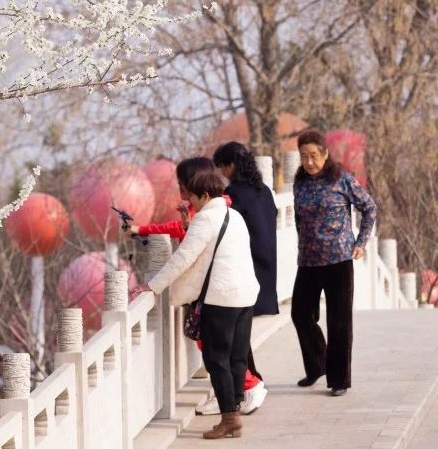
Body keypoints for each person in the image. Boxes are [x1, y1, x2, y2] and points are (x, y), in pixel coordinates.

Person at [133, 159, 259, 440]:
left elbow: (182, 258)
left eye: (191, 196)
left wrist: (153, 286)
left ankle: (229, 418)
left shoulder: (206, 218)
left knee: (217, 359)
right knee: (238, 357)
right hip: (246, 295)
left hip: (221, 299)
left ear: (204, 196)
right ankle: (234, 411)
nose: (188, 200)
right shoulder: (233, 215)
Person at [291, 129, 377, 396]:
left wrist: (360, 242)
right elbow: (298, 219)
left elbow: (369, 208)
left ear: (325, 154)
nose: (309, 162)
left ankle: (339, 380)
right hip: (308, 261)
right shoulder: (300, 183)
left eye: (314, 156)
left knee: (339, 322)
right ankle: (317, 365)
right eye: (304, 156)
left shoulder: (342, 180)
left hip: (339, 260)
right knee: (300, 315)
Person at [210, 141, 278, 414]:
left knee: (235, 337)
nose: (223, 173)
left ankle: (245, 388)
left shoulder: (233, 194)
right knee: (241, 335)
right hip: (266, 265)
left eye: (223, 167)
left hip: (245, 268)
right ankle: (248, 385)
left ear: (231, 165)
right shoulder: (264, 192)